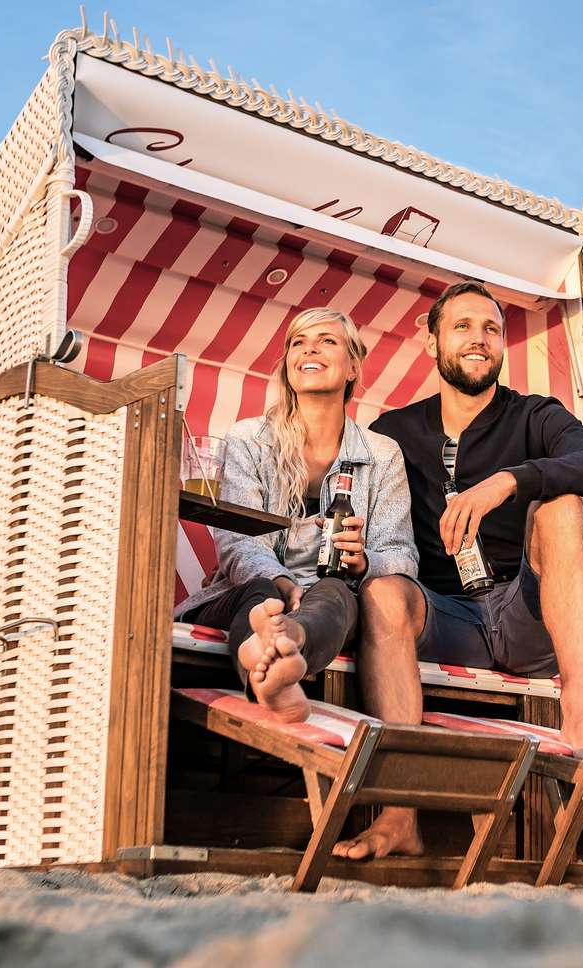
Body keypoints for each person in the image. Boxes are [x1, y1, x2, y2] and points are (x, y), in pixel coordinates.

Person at [345, 280, 583, 861]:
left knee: (562, 502)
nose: (479, 339)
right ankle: (400, 816)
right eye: (462, 327)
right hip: (447, 618)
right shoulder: (392, 434)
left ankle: (579, 701)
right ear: (432, 342)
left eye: (491, 329)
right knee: (384, 593)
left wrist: (511, 481)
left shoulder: (533, 416)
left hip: (529, 616)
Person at [174, 308, 417, 723]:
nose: (310, 349)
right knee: (262, 595)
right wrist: (284, 584)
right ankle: (269, 656)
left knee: (337, 594)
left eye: (326, 340)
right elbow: (237, 541)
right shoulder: (248, 439)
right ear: (288, 365)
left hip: (328, 603)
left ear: (353, 366)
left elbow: (402, 555)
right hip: (245, 592)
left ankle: (280, 651)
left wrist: (364, 562)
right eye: (298, 342)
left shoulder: (382, 454)